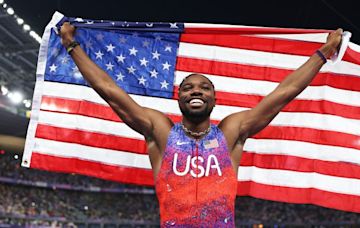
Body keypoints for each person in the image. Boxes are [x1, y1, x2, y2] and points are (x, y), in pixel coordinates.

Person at [60, 22, 342, 227]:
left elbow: (283, 93)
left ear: (214, 100)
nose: (196, 91)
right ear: (179, 98)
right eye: (188, 87)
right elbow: (110, 90)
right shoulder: (160, 131)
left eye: (204, 87)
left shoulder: (231, 132)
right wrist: (72, 46)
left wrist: (324, 53)